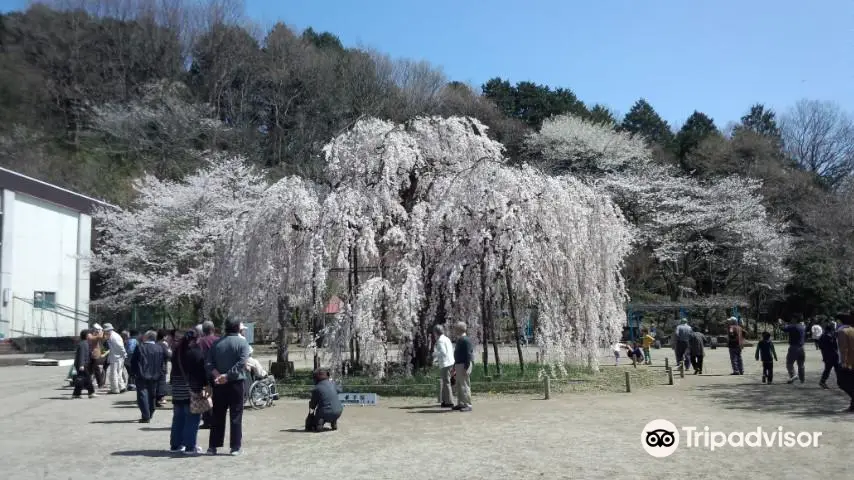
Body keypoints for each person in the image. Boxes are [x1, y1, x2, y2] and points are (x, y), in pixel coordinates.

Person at [206, 318, 251, 456]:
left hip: (219, 383)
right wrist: (228, 375)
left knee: (218, 414)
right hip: (236, 382)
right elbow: (242, 362)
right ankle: (235, 446)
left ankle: (213, 446)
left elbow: (208, 362)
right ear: (238, 328)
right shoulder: (242, 343)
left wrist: (217, 375)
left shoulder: (216, 343)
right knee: (236, 414)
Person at [169, 328, 208, 455]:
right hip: (191, 388)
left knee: (178, 418)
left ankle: (176, 445)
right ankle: (190, 446)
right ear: (196, 338)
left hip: (177, 388)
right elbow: (201, 371)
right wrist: (206, 385)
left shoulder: (177, 351)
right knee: (192, 417)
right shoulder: (196, 352)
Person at [130, 330, 166, 423]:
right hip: (155, 375)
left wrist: (133, 374)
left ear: (147, 337)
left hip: (142, 375)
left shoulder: (140, 347)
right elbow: (162, 363)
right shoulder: (159, 348)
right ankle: (150, 412)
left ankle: (146, 415)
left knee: (142, 394)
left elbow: (134, 361)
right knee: (152, 395)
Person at [196, 321, 219, 430]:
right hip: (216, 372)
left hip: (203, 372)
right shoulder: (218, 340)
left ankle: (207, 420)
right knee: (217, 396)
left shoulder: (200, 342)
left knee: (205, 396)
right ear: (213, 329)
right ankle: (216, 419)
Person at [432, 324, 456, 408]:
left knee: (446, 383)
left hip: (445, 364)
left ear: (436, 332)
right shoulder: (447, 339)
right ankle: (446, 400)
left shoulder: (440, 341)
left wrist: (435, 354)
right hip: (451, 362)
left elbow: (443, 352)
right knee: (447, 382)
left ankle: (449, 401)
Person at [452, 321, 474, 412]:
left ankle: (468, 404)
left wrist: (466, 367)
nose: (454, 330)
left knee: (465, 385)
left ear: (459, 329)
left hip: (464, 365)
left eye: (455, 328)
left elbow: (468, 355)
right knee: (459, 385)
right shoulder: (460, 339)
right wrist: (454, 366)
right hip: (459, 364)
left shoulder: (465, 340)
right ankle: (461, 403)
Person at [835, 313, 854, 412]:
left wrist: (844, 363)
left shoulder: (843, 331)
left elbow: (844, 349)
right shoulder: (852, 330)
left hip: (847, 362)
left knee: (842, 382)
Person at [779, 318, 806, 384]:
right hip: (801, 347)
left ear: (795, 320)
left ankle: (793, 375)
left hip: (793, 347)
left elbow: (783, 328)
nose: (791, 320)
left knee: (789, 363)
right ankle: (802, 379)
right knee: (801, 365)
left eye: (792, 319)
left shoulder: (793, 326)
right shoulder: (802, 326)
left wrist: (780, 323)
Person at [103, 323, 127, 394]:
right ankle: (121, 387)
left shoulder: (113, 337)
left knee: (113, 374)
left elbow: (120, 347)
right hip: (117, 357)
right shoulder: (112, 336)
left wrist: (124, 354)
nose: (105, 332)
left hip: (117, 357)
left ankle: (115, 389)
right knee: (118, 373)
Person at [72, 329, 97, 399]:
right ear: (87, 335)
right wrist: (81, 365)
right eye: (90, 334)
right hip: (82, 365)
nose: (91, 335)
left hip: (83, 364)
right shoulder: (83, 344)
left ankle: (76, 394)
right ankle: (91, 393)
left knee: (82, 379)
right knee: (87, 379)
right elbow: (81, 355)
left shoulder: (84, 343)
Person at [818, 321, 839, 389]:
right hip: (833, 355)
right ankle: (840, 382)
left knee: (828, 369)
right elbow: (835, 346)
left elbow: (820, 346)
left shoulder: (823, 336)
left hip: (827, 355)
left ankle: (822, 381)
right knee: (837, 369)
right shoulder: (830, 336)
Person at [156, 329, 172, 407]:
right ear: (164, 336)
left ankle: (158, 398)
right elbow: (168, 355)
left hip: (155, 366)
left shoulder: (156, 343)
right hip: (162, 366)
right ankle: (160, 398)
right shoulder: (163, 344)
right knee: (162, 382)